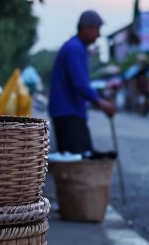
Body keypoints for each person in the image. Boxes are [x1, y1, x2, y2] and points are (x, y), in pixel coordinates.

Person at [48, 10, 116, 154]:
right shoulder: (75, 49)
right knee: (75, 159)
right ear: (85, 28)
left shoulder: (78, 48)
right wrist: (101, 103)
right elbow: (80, 84)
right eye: (96, 29)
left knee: (80, 155)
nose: (98, 35)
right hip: (68, 112)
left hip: (71, 111)